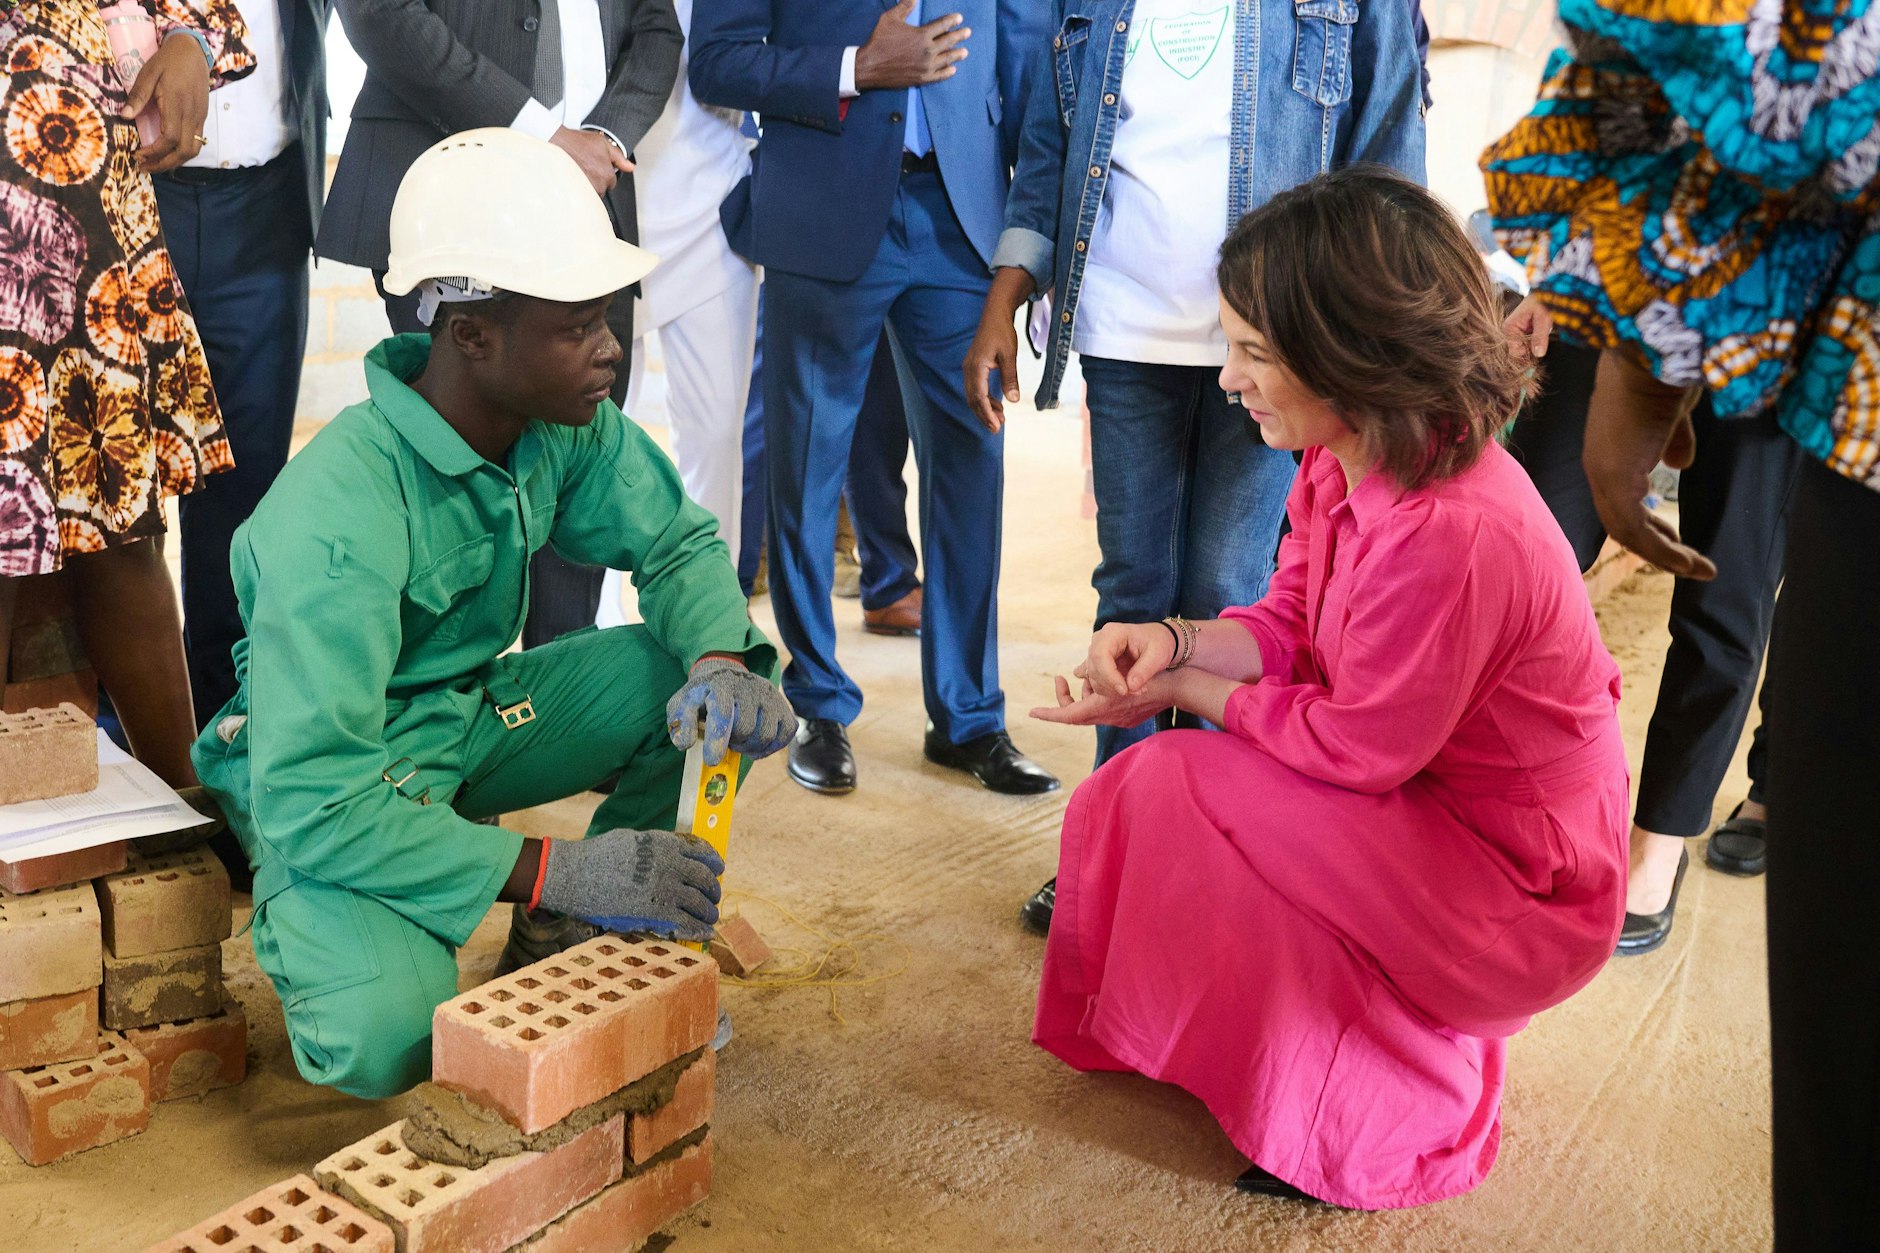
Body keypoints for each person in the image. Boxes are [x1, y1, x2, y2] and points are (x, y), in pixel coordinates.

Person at [1030, 169, 1629, 1208]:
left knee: (1181, 779)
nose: (1227, 379)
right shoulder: (1343, 453)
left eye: (1254, 353)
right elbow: (1284, 629)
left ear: (1351, 353)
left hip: (1517, 885)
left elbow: (1356, 750)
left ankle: (1388, 1098)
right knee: (1152, 783)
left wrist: (1179, 689)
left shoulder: (1454, 528)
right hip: (1431, 810)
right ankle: (1277, 1060)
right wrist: (1164, 640)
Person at [190, 130, 795, 1099]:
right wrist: (557, 862)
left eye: (609, 318)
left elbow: (675, 542)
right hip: (335, 780)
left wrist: (723, 658)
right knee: (387, 1037)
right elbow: (315, 796)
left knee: (678, 681)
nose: (609, 351)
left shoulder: (559, 423)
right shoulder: (334, 519)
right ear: (472, 333)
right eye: (578, 325)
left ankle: (577, 940)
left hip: (469, 721)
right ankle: (363, 919)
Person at [1482, 0, 1880, 1239]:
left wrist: (1638, 345)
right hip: (1805, 328)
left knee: (1722, 590)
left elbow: (1724, 55)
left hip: (1808, 345)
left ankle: (1656, 845)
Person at [969, 0, 1426, 931]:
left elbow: (1386, 154)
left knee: (1230, 594)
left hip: (1279, 346)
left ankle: (1211, 851)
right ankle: (1112, 845)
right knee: (1133, 590)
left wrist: (1367, 342)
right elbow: (1054, 137)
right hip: (1124, 331)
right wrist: (1008, 290)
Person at [690, 0, 1058, 798]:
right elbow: (716, 59)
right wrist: (856, 66)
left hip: (962, 218)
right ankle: (818, 705)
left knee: (973, 464)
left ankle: (968, 718)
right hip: (821, 201)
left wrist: (1033, 244)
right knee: (808, 462)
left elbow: (1030, 58)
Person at [318, 0, 681, 650]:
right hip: (444, 194)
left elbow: (656, 26)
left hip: (593, 196)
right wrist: (540, 136)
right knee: (455, 473)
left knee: (578, 462)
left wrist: (606, 140)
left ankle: (556, 704)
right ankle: (437, 709)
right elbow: (378, 12)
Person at [0, 2, 252, 788]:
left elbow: (207, 15)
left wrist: (186, 40)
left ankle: (193, 815)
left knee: (121, 527)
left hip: (88, 212)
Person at [1506, 343, 1794, 953]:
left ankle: (1661, 839)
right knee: (1524, 546)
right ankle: (1515, 806)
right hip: (1625, 289)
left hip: (1769, 316)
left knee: (1726, 584)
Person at [154, 0, 331, 732]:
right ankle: (117, 749)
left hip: (268, 206)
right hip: (121, 194)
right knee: (110, 499)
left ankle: (225, 743)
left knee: (244, 496)